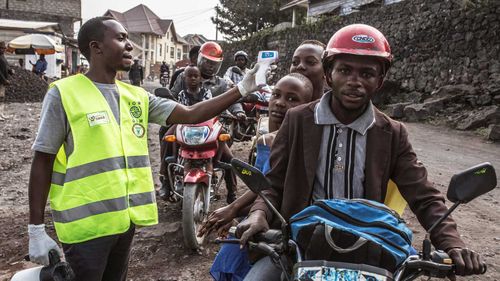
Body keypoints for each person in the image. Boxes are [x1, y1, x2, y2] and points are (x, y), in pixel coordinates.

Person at [236, 24, 486, 280]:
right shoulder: (298, 120)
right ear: (329, 75)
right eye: (345, 70)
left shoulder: (392, 133)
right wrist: (258, 214)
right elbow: (273, 182)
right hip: (298, 244)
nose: (354, 81)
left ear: (380, 81)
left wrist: (452, 244)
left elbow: (424, 196)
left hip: (369, 247)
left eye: (367, 73)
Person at [27, 16, 264, 281]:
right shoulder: (63, 93)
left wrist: (242, 89)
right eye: (120, 38)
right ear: (96, 48)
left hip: (124, 222)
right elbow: (43, 159)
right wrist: (35, 228)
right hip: (85, 228)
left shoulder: (136, 96)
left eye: (128, 38)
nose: (129, 45)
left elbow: (191, 114)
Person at [200, 73, 314, 281]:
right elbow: (259, 185)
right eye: (276, 95)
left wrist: (234, 208)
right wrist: (237, 211)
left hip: (280, 224)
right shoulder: (264, 139)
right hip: (257, 216)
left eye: (292, 99)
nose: (280, 103)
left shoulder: (304, 144)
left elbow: (275, 187)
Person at [0, 41, 13, 121]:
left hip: (3, 82)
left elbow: (6, 66)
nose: (3, 50)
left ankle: (1, 113)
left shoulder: (2, 56)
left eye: (4, 48)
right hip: (1, 81)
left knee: (1, 98)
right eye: (1, 48)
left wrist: (10, 71)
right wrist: (4, 80)